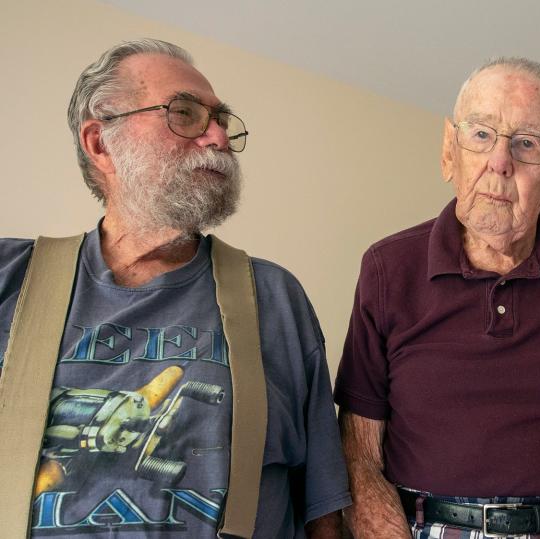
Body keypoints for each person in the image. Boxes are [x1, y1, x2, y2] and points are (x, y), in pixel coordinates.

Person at [0, 39, 350, 537]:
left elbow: (324, 512)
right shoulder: (9, 276)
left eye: (221, 121)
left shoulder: (272, 297)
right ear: (100, 142)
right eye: (184, 113)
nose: (218, 138)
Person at [333, 57, 540, 538]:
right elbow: (358, 454)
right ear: (449, 151)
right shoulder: (388, 269)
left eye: (527, 143)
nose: (500, 161)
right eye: (481, 135)